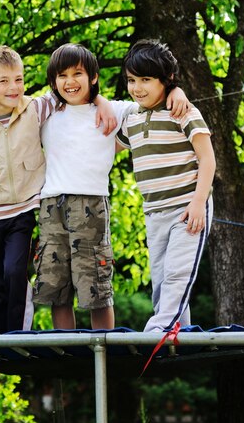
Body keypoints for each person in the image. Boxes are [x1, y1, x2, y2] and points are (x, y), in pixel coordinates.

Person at [0, 45, 115, 334]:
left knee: (15, 272)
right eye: (3, 81)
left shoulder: (34, 108)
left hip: (23, 209)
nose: (13, 87)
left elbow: (71, 91)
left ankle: (17, 335)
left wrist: (101, 99)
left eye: (19, 79)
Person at [31, 43, 191, 331]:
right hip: (51, 205)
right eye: (62, 75)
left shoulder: (117, 110)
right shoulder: (46, 111)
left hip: (91, 206)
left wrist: (177, 90)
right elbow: (11, 105)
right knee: (56, 288)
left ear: (93, 77)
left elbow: (153, 99)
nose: (70, 82)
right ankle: (68, 353)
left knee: (96, 287)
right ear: (53, 81)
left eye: (78, 73)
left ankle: (102, 347)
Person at [116, 39, 216, 332]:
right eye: (132, 80)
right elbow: (107, 148)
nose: (137, 88)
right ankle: (177, 332)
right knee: (160, 277)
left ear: (167, 80)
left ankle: (158, 328)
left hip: (187, 208)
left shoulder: (183, 112)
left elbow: (208, 160)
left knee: (177, 273)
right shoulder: (131, 119)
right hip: (154, 212)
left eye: (146, 80)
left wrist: (198, 203)